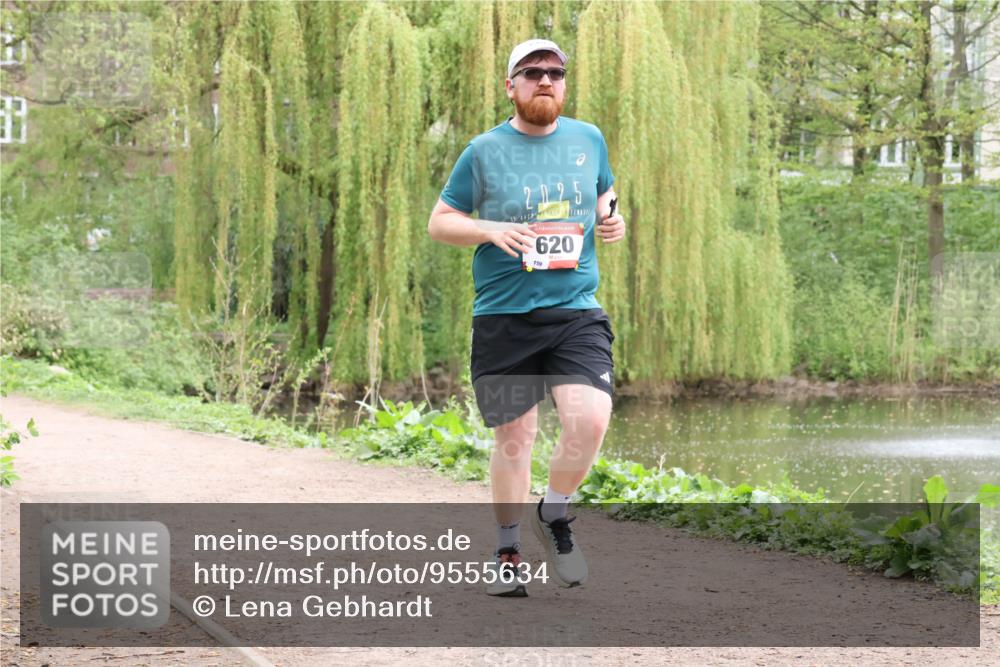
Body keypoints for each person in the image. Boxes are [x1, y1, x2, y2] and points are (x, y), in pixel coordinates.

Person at [427, 38, 625, 597]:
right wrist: (489, 229)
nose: (545, 80)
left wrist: (613, 220)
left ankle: (555, 513)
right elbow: (441, 222)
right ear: (510, 85)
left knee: (589, 421)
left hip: (575, 312)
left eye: (555, 73)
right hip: (504, 315)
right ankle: (507, 549)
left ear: (564, 83)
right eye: (532, 72)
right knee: (515, 440)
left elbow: (604, 196)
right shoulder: (484, 151)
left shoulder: (589, 139)